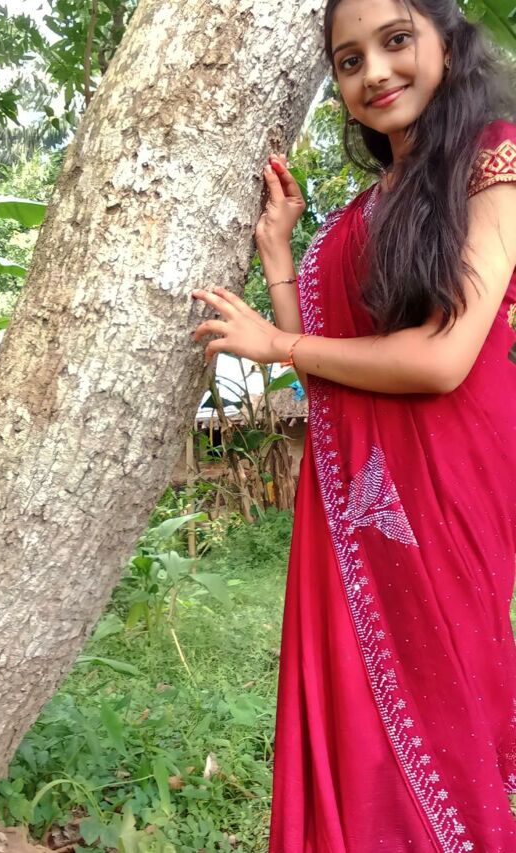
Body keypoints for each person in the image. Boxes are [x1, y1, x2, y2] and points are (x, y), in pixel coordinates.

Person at [191, 0, 516, 849]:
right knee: (357, 731)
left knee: (442, 709)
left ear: (448, 42)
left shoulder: (495, 159)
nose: (374, 72)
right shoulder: (363, 209)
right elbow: (325, 369)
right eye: (348, 60)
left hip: (449, 488)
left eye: (396, 41)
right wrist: (278, 257)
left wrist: (277, 343)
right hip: (350, 497)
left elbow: (444, 355)